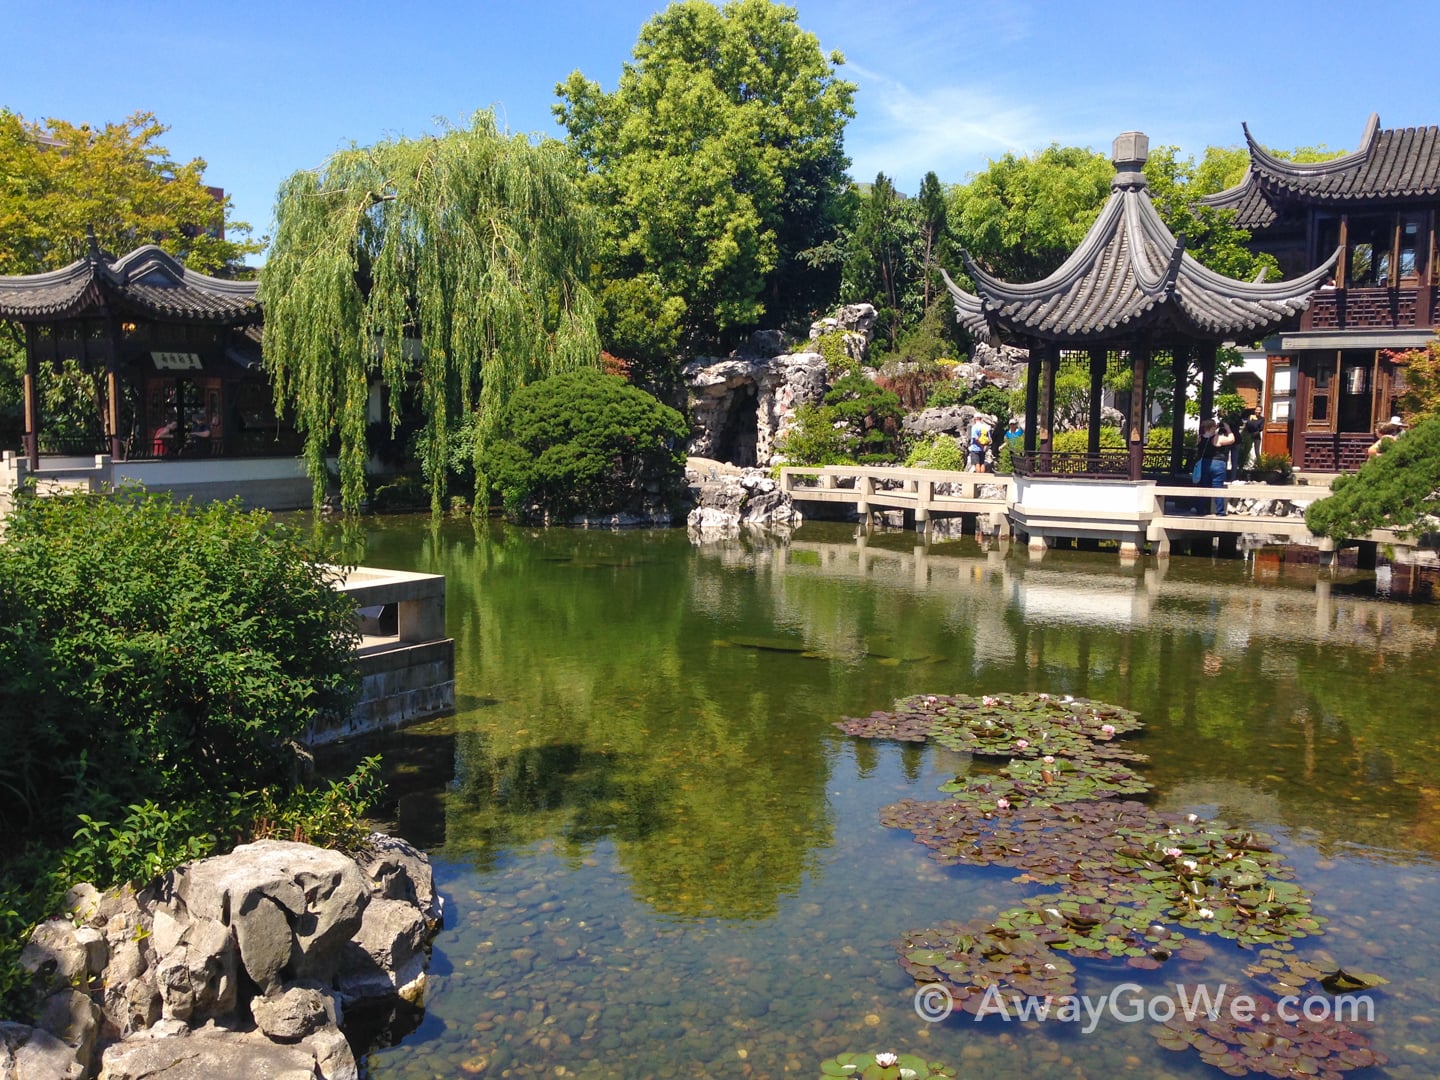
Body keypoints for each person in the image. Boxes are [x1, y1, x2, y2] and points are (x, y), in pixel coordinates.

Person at [1195, 418, 1235, 515]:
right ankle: (1220, 511)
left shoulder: (1200, 437)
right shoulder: (1218, 438)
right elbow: (1232, 440)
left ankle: (1200, 510)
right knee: (1218, 487)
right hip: (1218, 463)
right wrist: (1228, 429)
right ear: (1213, 427)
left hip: (1204, 463)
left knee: (1203, 486)